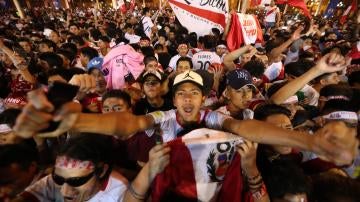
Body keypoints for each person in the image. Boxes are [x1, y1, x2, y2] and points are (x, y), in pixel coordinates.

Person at [13, 71, 358, 166]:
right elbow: (129, 124)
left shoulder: (212, 116)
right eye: (182, 93)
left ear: (202, 98)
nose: (188, 98)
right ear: (174, 98)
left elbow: (242, 127)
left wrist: (311, 142)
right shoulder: (163, 117)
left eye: (194, 92)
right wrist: (70, 121)